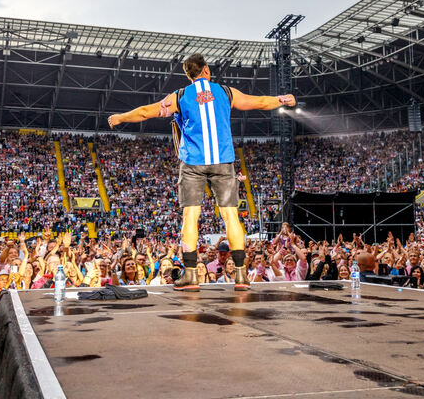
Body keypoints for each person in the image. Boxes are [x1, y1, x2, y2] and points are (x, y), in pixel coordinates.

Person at [108, 52, 295, 292]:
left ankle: (191, 276)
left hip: (193, 163)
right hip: (223, 162)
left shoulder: (180, 96)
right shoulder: (226, 92)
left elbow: (145, 111)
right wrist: (282, 99)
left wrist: (121, 117)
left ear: (189, 76)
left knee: (191, 217)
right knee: (231, 217)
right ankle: (240, 275)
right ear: (206, 70)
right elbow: (259, 102)